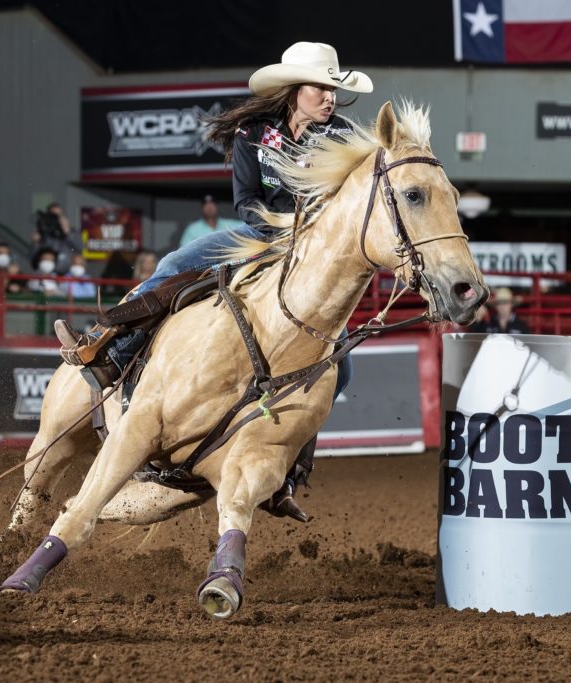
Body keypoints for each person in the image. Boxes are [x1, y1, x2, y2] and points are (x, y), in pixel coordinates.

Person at [54, 41, 373, 521]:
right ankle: (111, 349)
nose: (330, 97)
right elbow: (245, 200)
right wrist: (277, 227)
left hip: (312, 255)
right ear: (294, 90)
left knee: (340, 368)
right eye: (320, 87)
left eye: (333, 88)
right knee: (173, 265)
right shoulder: (253, 132)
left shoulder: (344, 137)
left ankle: (288, 473)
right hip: (259, 234)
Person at [32, 202, 82, 274]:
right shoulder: (44, 232)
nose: (57, 218)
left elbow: (79, 248)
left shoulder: (72, 232)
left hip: (68, 274)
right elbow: (33, 258)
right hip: (47, 274)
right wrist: (35, 243)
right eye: (53, 215)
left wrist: (68, 233)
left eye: (59, 215)